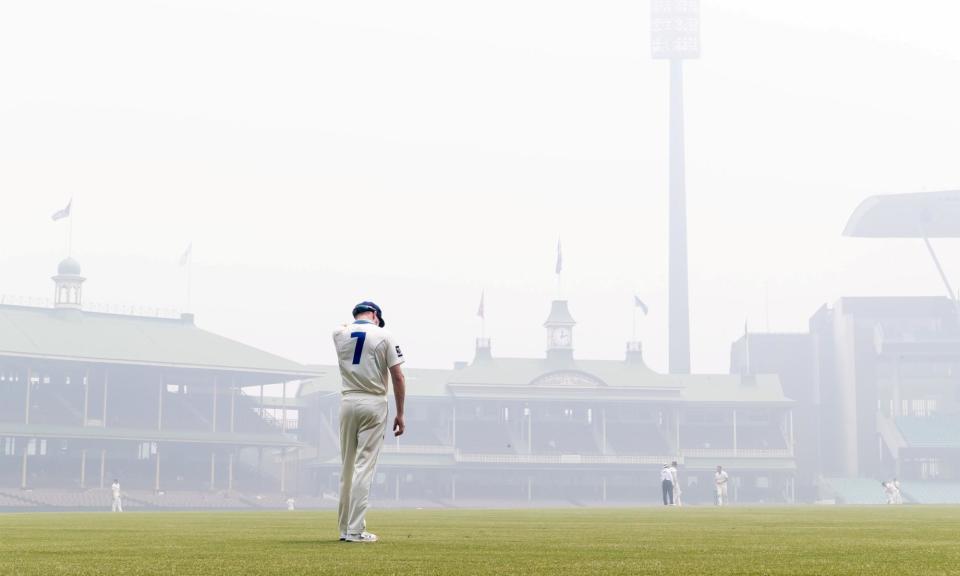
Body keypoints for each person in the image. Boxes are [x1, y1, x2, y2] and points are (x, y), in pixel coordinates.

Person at [333, 301, 406, 543]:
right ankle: (355, 531)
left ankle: (344, 529)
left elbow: (344, 326)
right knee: (364, 468)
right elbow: (398, 376)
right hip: (373, 401)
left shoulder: (339, 334)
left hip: (347, 401)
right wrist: (400, 413)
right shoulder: (384, 335)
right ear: (375, 315)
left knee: (347, 467)